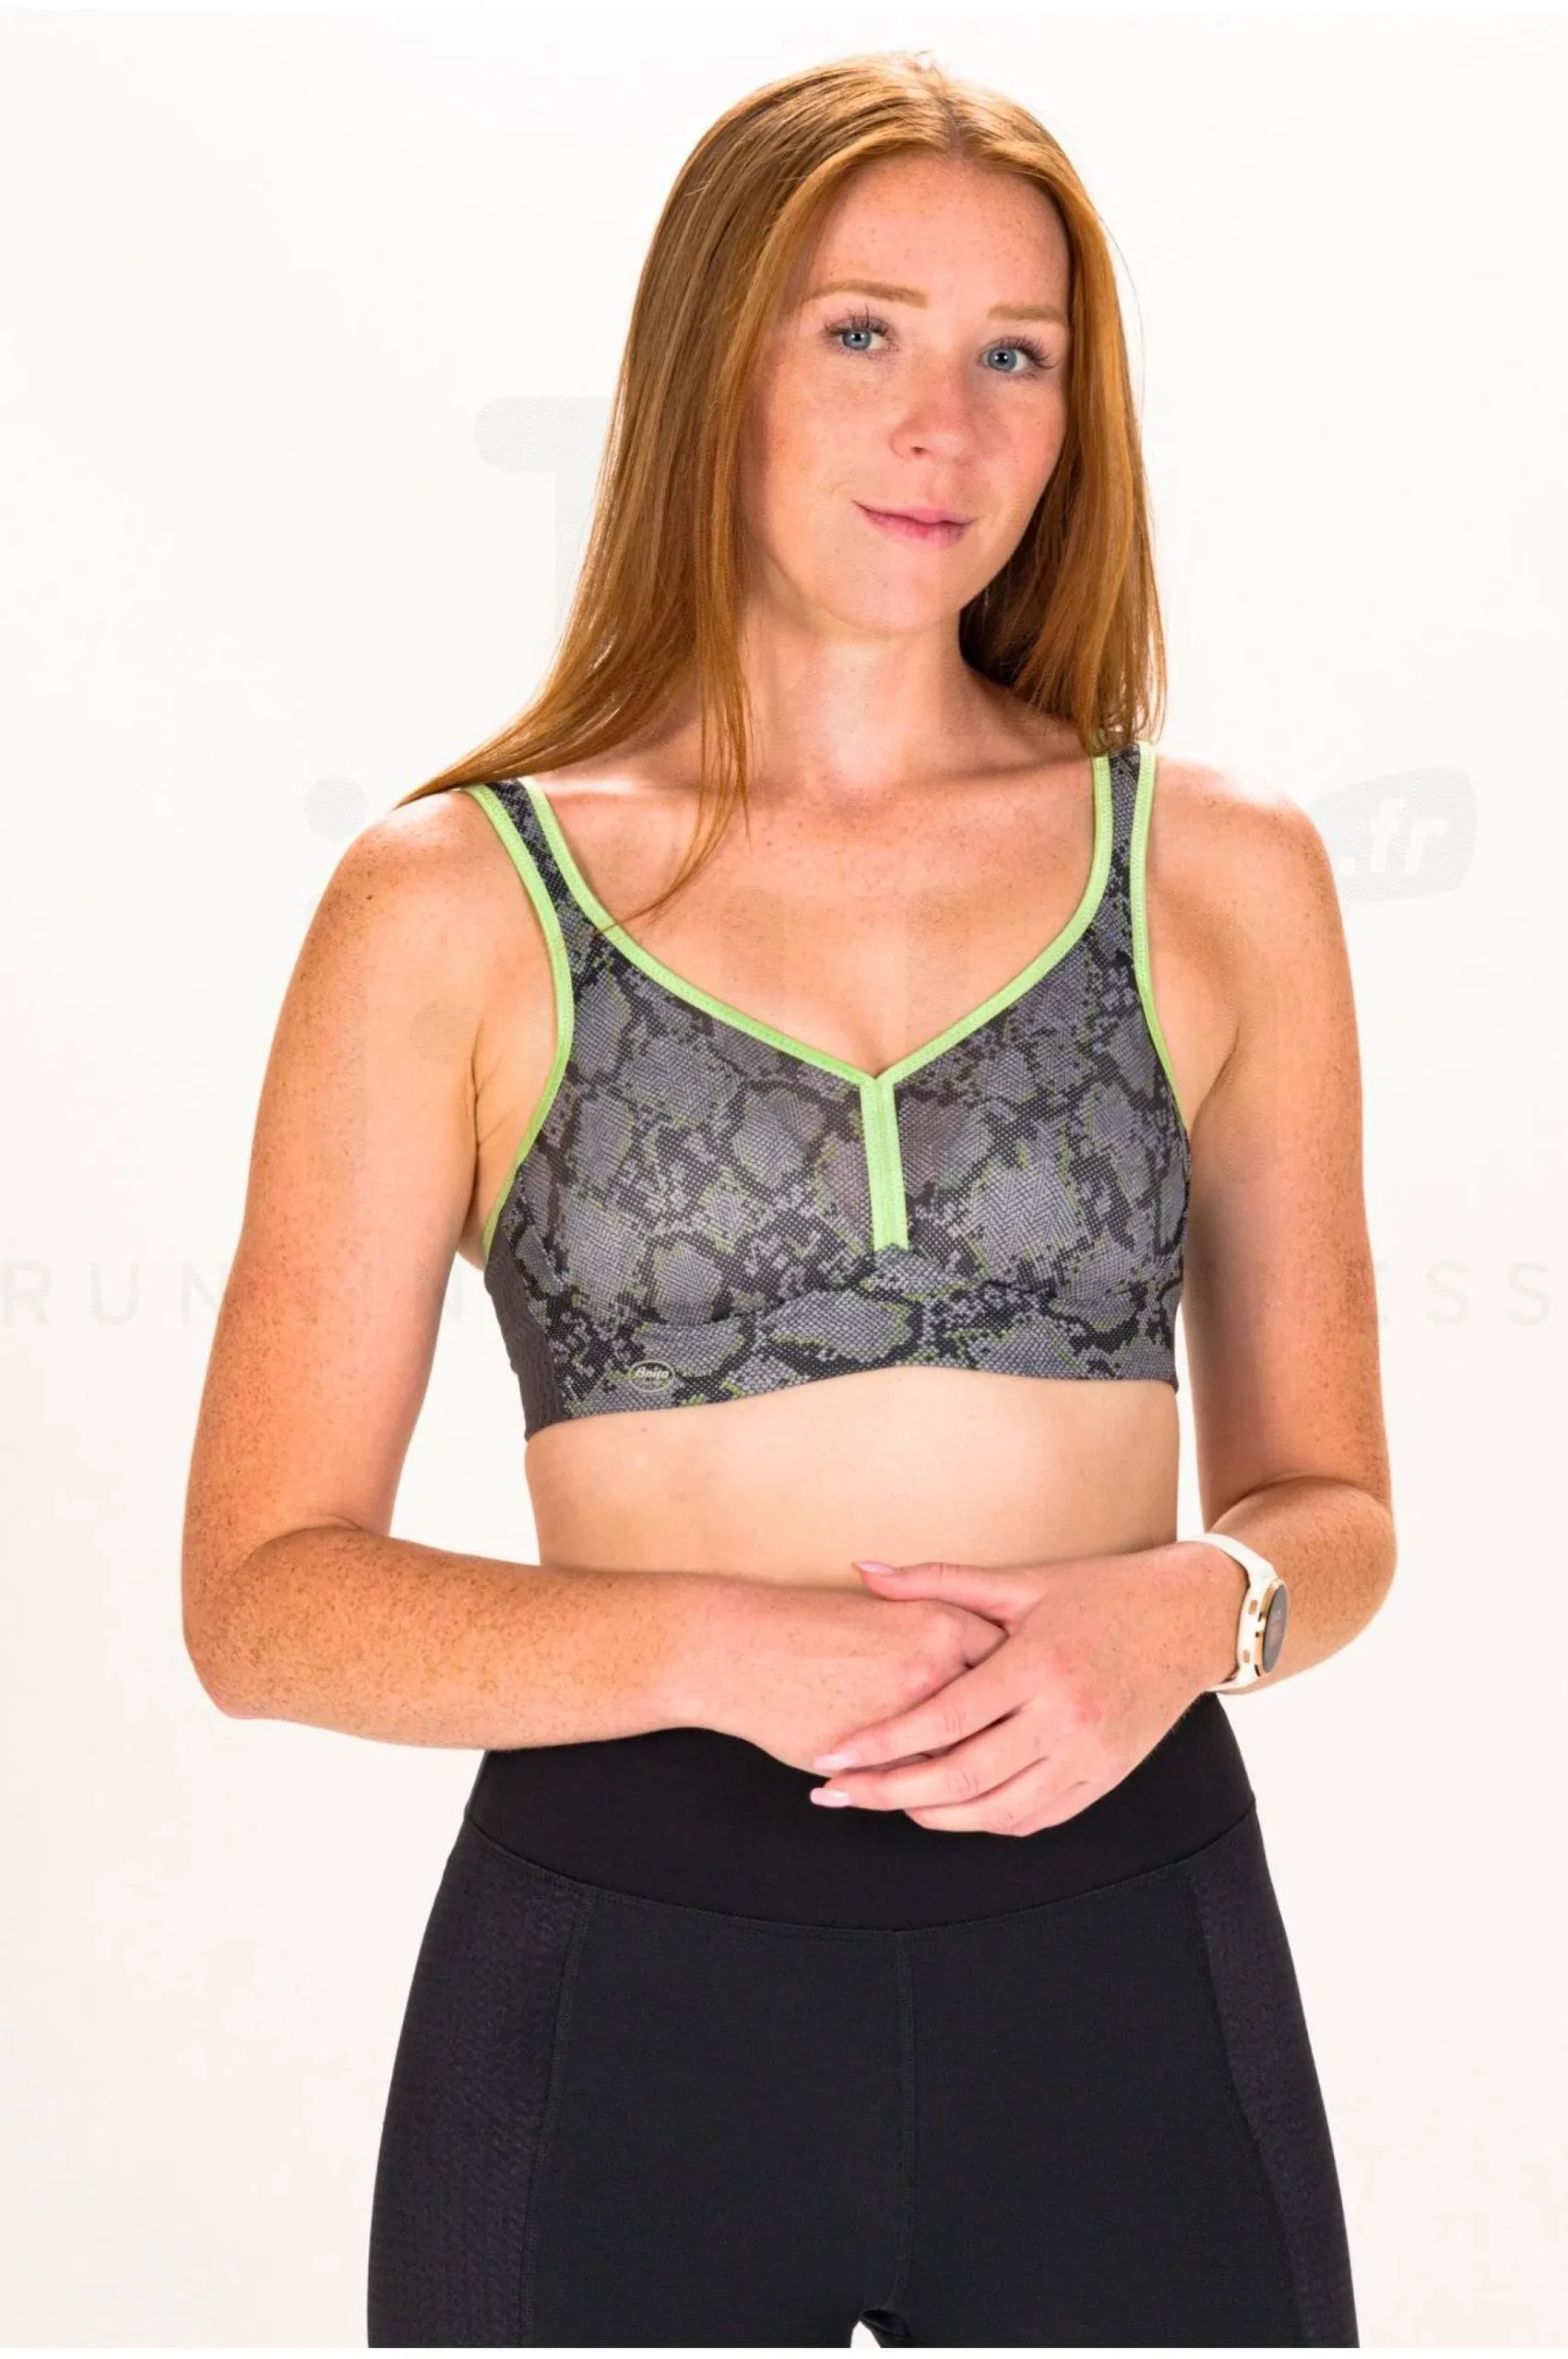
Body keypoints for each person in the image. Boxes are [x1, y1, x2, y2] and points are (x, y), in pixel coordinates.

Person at [181, 49, 1395, 2348]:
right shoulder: (451, 899)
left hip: (1125, 1969)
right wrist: (723, 1650)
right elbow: (262, 1601)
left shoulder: (1219, 874)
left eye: (1012, 356)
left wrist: (1184, 1608)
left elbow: (1330, 1508)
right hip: (616, 1993)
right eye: (860, 331)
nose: (942, 425)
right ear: (707, 367)